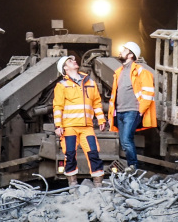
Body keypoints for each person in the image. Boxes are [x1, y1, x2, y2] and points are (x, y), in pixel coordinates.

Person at [52, 54, 107, 187]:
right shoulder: (62, 85)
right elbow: (57, 106)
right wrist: (58, 125)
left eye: (73, 60)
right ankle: (73, 185)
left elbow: (96, 103)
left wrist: (101, 120)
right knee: (70, 155)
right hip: (69, 127)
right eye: (70, 61)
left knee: (94, 153)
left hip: (87, 127)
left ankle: (98, 184)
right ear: (65, 68)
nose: (74, 61)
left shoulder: (90, 83)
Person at [108, 41, 156, 173]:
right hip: (121, 112)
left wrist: (140, 111)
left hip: (132, 111)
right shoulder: (119, 72)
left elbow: (148, 93)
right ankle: (131, 166)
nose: (120, 52)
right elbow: (115, 95)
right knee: (124, 141)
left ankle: (133, 166)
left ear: (130, 54)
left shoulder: (141, 72)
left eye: (123, 50)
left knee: (126, 139)